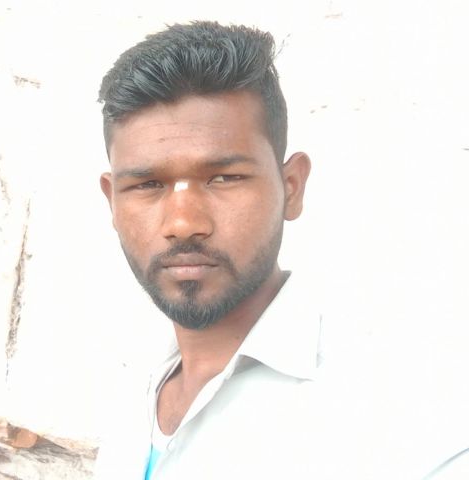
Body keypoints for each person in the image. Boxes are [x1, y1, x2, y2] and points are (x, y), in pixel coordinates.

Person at [94, 21, 469, 479]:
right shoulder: (128, 391)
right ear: (112, 202)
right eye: (148, 184)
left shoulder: (407, 413)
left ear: (291, 187)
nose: (183, 223)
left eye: (224, 178)